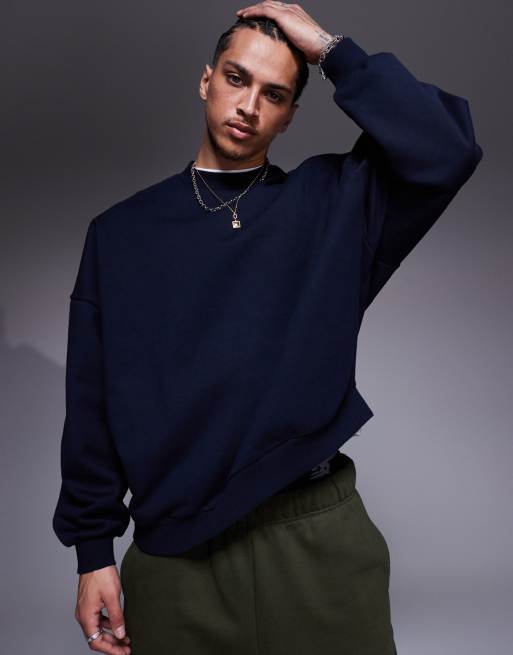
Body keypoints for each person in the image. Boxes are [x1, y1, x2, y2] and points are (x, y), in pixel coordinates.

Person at [52, 2, 483, 653]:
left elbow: (447, 147)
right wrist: (93, 553)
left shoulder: (332, 204)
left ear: (288, 115)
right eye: (236, 78)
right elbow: (90, 402)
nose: (249, 105)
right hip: (177, 560)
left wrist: (330, 50)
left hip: (318, 542)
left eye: (273, 94)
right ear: (206, 81)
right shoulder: (119, 236)